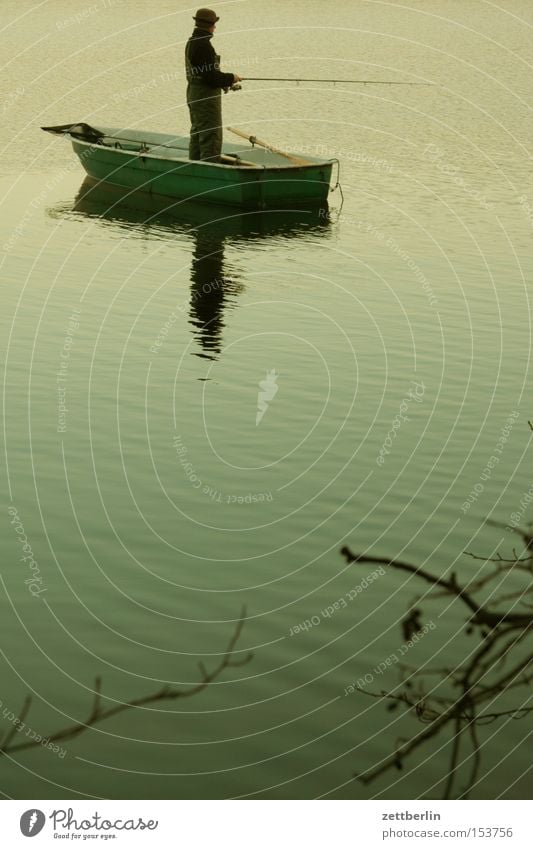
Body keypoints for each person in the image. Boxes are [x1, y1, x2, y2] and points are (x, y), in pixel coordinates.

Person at [185, 8, 242, 161]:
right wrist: (231, 78)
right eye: (214, 24)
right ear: (209, 25)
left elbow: (205, 74)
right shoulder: (204, 46)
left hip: (194, 94)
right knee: (211, 135)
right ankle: (210, 170)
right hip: (205, 99)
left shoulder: (192, 42)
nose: (215, 28)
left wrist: (223, 83)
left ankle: (194, 168)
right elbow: (211, 77)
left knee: (198, 132)